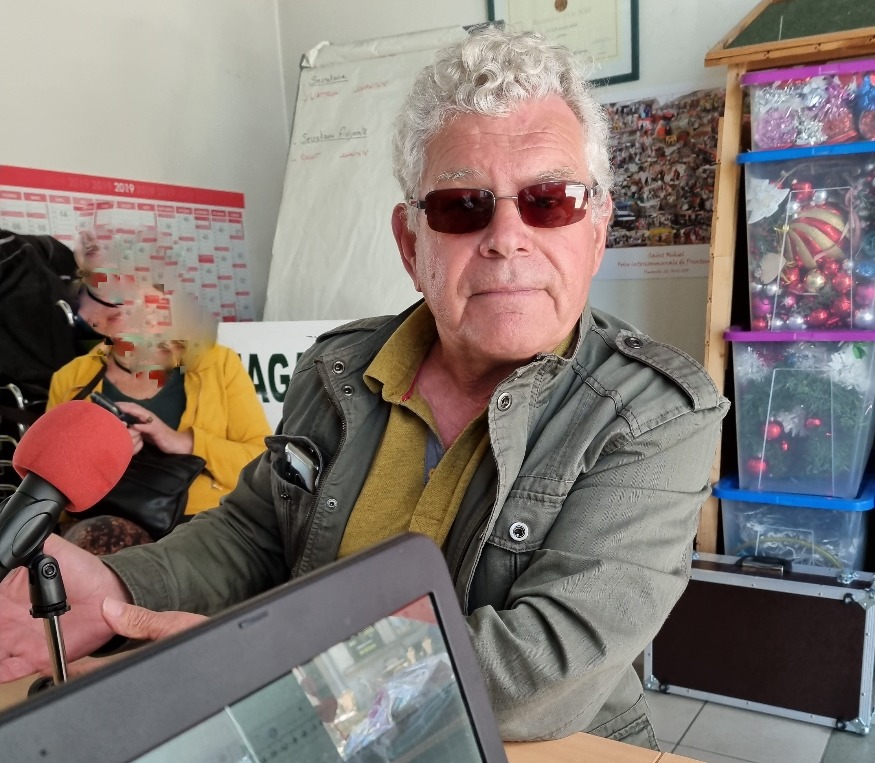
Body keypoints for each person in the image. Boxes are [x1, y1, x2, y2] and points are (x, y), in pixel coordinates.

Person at [0, 28, 729, 749]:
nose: (507, 237)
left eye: (550, 200)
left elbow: (542, 666)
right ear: (411, 243)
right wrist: (118, 588)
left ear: (596, 230)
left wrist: (266, 667)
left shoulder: (657, 413)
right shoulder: (337, 369)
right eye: (462, 206)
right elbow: (253, 534)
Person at [46, 253, 272, 551]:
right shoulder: (70, 379)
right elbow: (49, 486)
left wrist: (182, 442)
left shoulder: (218, 363)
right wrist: (102, 456)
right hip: (106, 525)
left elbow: (262, 463)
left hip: (203, 523)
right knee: (100, 544)